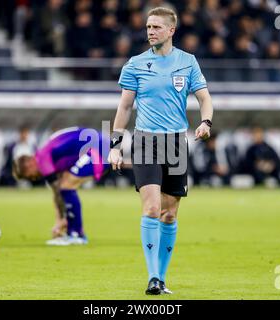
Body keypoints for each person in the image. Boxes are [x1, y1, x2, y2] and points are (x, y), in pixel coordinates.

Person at [108, 7, 213, 295]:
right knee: (152, 208)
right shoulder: (135, 64)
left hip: (177, 144)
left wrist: (205, 122)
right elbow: (125, 107)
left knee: (169, 214)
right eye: (148, 27)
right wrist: (115, 146)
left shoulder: (188, 62)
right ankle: (152, 277)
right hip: (145, 142)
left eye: (156, 27)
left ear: (171, 31)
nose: (150, 31)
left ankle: (162, 278)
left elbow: (205, 99)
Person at [12, 127, 110, 246]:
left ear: (29, 164)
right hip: (99, 145)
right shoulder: (46, 155)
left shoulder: (42, 160)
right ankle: (74, 232)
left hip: (98, 149)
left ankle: (76, 234)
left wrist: (60, 221)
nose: (33, 179)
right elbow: (57, 195)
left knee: (66, 186)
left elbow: (58, 192)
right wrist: (59, 221)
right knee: (66, 186)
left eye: (28, 176)